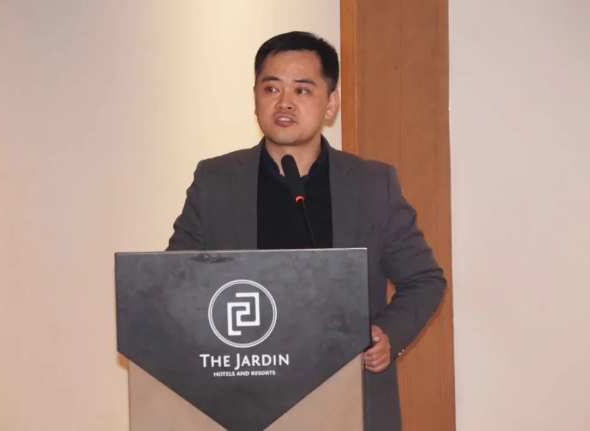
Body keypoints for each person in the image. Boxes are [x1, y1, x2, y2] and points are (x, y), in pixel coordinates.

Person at [167, 31, 446, 431]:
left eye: (302, 90)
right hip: (244, 397)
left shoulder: (371, 185)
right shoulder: (216, 181)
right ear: (255, 98)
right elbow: (176, 281)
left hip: (347, 399)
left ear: (330, 104)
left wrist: (388, 333)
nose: (284, 102)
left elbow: (424, 279)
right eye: (271, 88)